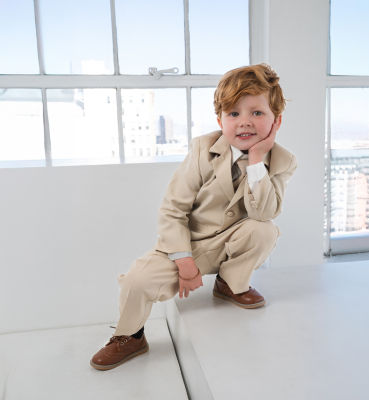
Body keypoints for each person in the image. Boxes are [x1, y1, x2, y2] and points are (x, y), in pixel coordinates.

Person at [90, 63, 297, 371]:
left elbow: (264, 212)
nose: (244, 122)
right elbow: (173, 209)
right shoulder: (203, 149)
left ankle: (230, 283)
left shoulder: (282, 161)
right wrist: (184, 260)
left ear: (276, 120)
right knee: (137, 279)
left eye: (257, 112)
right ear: (220, 120)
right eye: (234, 114)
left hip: (233, 240)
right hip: (188, 244)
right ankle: (130, 336)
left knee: (264, 230)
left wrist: (256, 161)